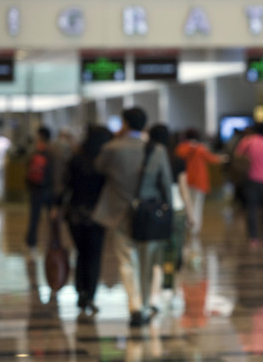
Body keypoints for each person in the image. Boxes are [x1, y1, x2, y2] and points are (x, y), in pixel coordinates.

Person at [92, 107, 173, 327]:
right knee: (148, 261)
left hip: (119, 212)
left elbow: (98, 168)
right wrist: (169, 213)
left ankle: (134, 306)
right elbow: (166, 183)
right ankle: (146, 306)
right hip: (149, 213)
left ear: (125, 124)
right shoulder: (157, 150)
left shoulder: (111, 148)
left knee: (127, 261)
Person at [59, 125, 113, 315]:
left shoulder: (76, 159)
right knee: (94, 256)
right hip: (97, 214)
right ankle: (89, 295)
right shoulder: (104, 162)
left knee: (81, 253)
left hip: (75, 213)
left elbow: (65, 185)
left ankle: (80, 291)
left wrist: (57, 207)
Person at [147, 124, 195, 307]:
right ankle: (172, 288)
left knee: (157, 249)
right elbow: (183, 189)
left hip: (156, 209)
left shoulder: (149, 158)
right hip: (177, 209)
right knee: (176, 248)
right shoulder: (177, 160)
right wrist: (191, 214)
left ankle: (155, 290)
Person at [174, 128, 223, 238]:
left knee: (186, 204)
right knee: (197, 206)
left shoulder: (181, 148)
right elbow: (212, 159)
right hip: (199, 180)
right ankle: (194, 228)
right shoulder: (201, 148)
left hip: (184, 180)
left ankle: (186, 224)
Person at [25, 126, 55, 249]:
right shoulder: (53, 150)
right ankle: (53, 242)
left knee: (34, 218)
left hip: (37, 189)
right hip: (50, 189)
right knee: (52, 219)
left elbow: (28, 167)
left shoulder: (36, 150)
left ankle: (31, 242)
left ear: (41, 135)